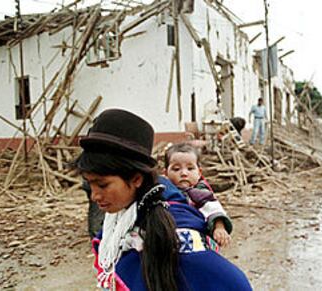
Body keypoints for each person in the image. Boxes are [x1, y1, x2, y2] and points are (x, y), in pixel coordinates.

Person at [75, 109, 252, 291]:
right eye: (90, 185)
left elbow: (229, 282)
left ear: (136, 179)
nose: (94, 196)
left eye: (102, 185)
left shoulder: (176, 230)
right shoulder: (121, 216)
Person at [164, 142, 232, 248]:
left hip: (197, 240)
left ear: (199, 172)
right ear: (166, 173)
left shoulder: (200, 193)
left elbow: (214, 209)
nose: (184, 173)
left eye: (190, 168)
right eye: (176, 169)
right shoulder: (162, 192)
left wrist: (219, 228)